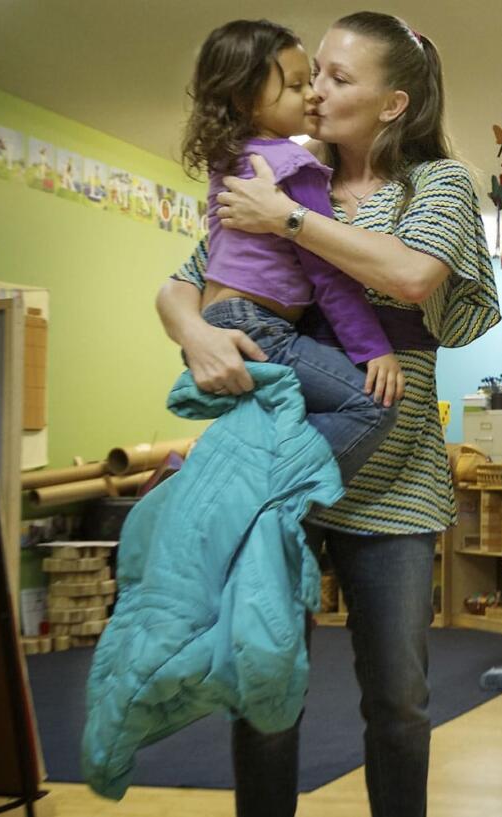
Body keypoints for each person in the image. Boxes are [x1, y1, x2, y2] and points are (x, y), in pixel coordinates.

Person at [156, 12, 500, 817]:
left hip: (396, 478)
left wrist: (288, 219)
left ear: (391, 103)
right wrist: (195, 331)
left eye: (339, 78)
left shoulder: (435, 184)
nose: (315, 90)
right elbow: (182, 280)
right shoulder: (277, 167)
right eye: (314, 73)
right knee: (264, 682)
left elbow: (414, 277)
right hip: (281, 464)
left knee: (399, 700)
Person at [181, 18, 401, 481]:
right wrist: (373, 350)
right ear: (246, 100)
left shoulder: (231, 157)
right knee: (372, 406)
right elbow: (328, 274)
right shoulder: (292, 166)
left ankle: (238, 471)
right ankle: (267, 493)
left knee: (275, 421)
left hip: (215, 324)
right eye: (298, 85)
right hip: (258, 329)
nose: (313, 94)